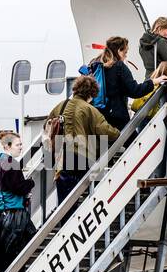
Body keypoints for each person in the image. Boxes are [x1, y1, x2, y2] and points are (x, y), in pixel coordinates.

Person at [46, 75, 119, 203]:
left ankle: (66, 220)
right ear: (91, 94)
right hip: (81, 155)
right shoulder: (89, 109)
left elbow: (47, 124)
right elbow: (104, 130)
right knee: (95, 187)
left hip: (61, 156)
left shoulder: (61, 106)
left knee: (65, 198)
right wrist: (118, 132)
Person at [83, 35, 162, 130]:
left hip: (95, 115)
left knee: (100, 143)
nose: (126, 56)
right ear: (119, 51)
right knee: (130, 141)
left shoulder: (94, 64)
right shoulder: (119, 66)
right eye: (125, 52)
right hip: (116, 119)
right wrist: (153, 82)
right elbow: (134, 91)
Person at [0, 130, 36, 272]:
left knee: (2, 257)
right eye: (18, 144)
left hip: (0, 214)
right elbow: (18, 187)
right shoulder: (11, 163)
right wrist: (30, 182)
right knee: (18, 255)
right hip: (13, 215)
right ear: (7, 147)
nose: (21, 147)